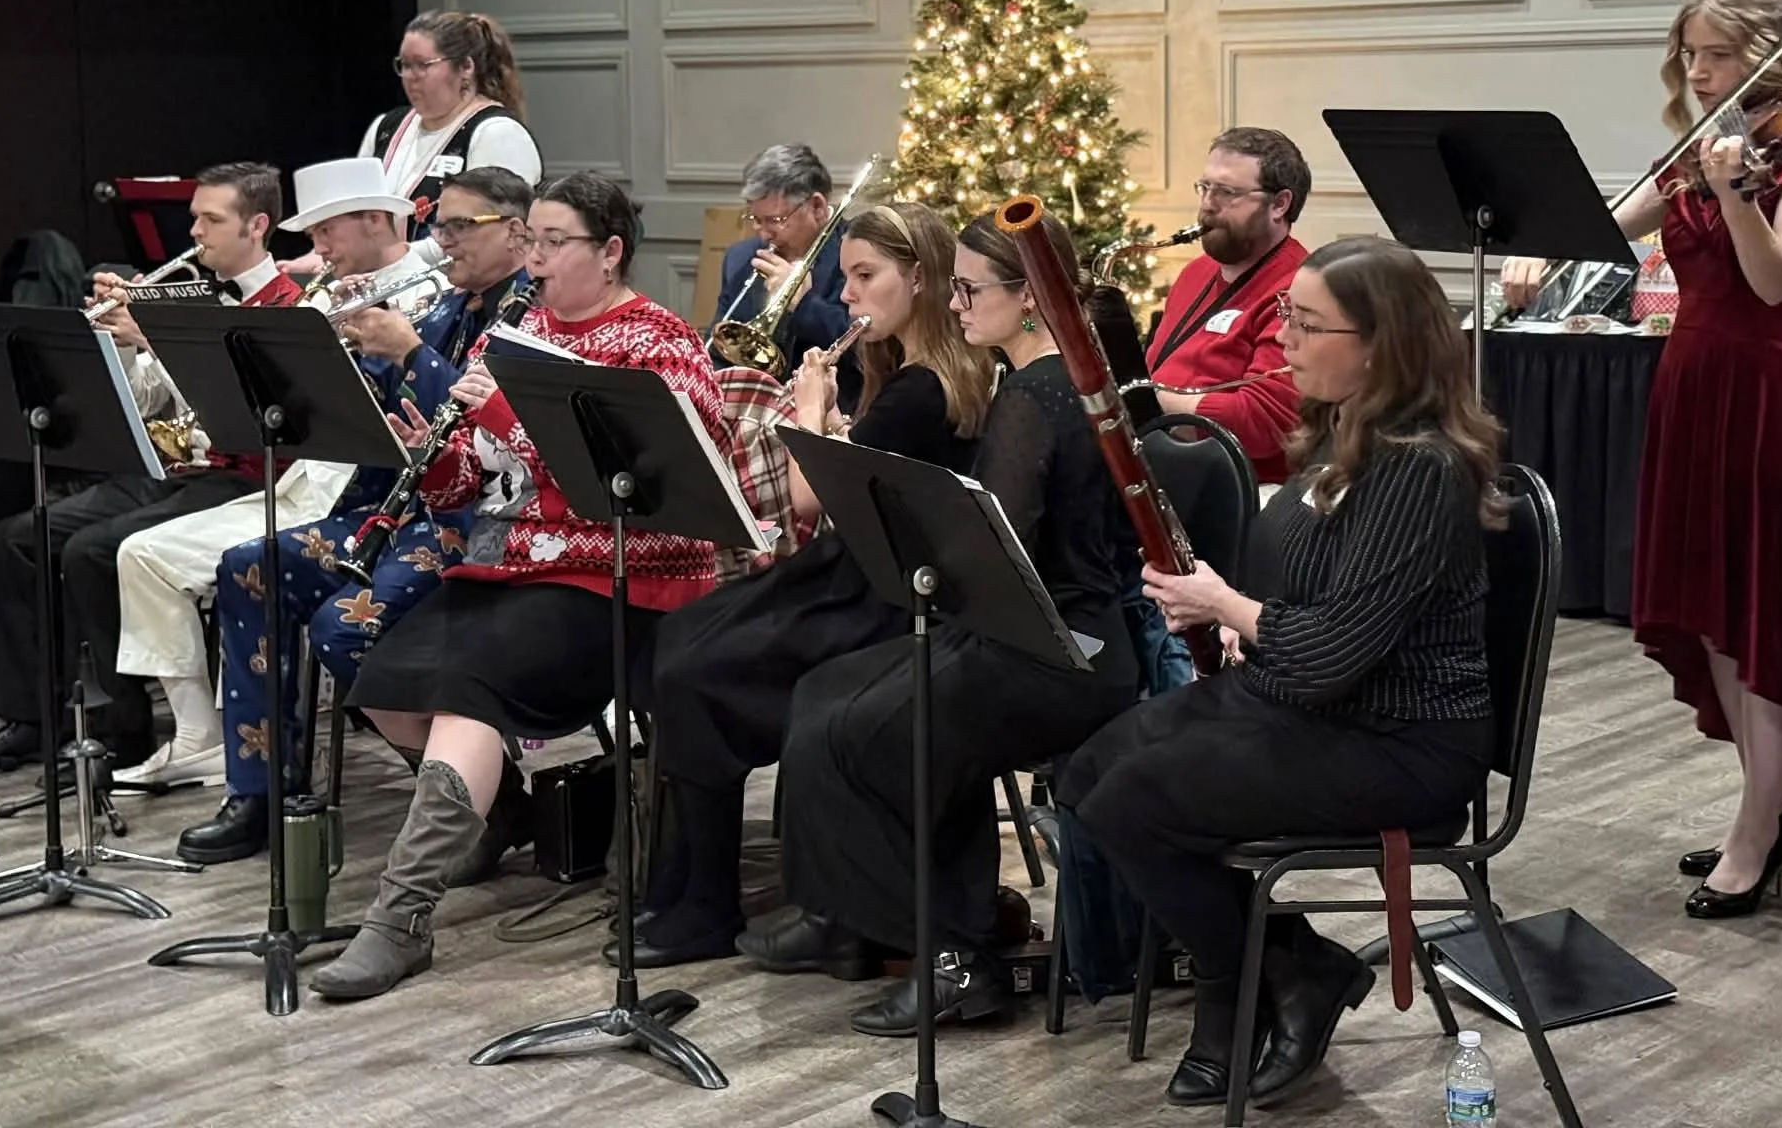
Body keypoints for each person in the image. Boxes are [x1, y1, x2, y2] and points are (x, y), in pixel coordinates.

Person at [1060, 236, 1505, 1109]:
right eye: (1283, 318)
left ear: (1380, 342)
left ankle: (1238, 991)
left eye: (1305, 324)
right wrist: (1250, 627)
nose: (1285, 341)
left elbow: (1335, 652)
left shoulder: (1418, 468)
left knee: (1134, 804)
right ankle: (1295, 963)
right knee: (1086, 776)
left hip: (1400, 739)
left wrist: (1232, 609)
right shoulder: (1342, 432)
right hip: (1309, 699)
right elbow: (1311, 602)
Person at [1503, 0, 1782, 918]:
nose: (1700, 74)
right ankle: (1772, 802)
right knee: (1714, 611)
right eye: (1690, 54)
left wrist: (1738, 196)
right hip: (1693, 395)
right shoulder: (1711, 142)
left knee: (1766, 620)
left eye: (1716, 56)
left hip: (1772, 406)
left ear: (1769, 53)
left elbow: (1780, 279)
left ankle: (1755, 834)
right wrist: (1543, 248)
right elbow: (1611, 229)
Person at [310, 171, 733, 1000]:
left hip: (623, 577)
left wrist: (505, 409)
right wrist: (429, 462)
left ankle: (400, 916)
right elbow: (477, 476)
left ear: (609, 253)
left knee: (467, 692)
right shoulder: (517, 329)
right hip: (519, 568)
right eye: (529, 241)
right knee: (383, 677)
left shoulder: (658, 344)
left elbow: (635, 484)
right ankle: (492, 807)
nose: (532, 260)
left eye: (551, 243)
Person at [738, 214, 1138, 1037]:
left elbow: (1004, 556)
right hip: (1033, 632)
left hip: (1061, 650)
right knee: (825, 692)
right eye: (950, 287)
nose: (953, 305)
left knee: (865, 729)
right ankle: (868, 916)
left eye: (969, 289)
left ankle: (956, 956)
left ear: (1029, 299)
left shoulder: (1034, 393)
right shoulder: (1044, 376)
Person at [631, 202, 993, 966]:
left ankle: (701, 901)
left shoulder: (925, 392)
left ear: (921, 280)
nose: (849, 296)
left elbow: (807, 499)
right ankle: (686, 887)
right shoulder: (900, 373)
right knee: (681, 635)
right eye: (846, 276)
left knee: (697, 668)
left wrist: (808, 411)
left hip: (893, 598)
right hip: (858, 574)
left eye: (866, 277)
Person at [171, 167, 534, 865]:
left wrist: (409, 353)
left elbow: (489, 428)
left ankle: (489, 801)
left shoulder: (525, 313)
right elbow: (382, 421)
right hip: (399, 506)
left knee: (346, 626)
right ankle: (260, 792)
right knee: (252, 564)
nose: (444, 241)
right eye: (441, 227)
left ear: (515, 233)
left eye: (462, 227)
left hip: (479, 520)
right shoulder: (450, 307)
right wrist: (327, 363)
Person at [109, 157, 451, 788]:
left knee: (245, 564)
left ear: (376, 219)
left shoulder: (432, 296)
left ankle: (269, 764)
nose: (315, 249)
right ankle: (219, 748)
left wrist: (391, 348)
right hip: (301, 481)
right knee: (145, 553)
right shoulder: (326, 287)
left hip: (384, 501)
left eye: (327, 231)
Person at [0, 162, 302, 771]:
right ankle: (31, 718)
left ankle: (124, 729)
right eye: (194, 217)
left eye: (212, 219)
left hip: (244, 476)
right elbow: (147, 402)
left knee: (93, 551)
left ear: (257, 226)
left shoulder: (290, 305)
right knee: (18, 538)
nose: (195, 231)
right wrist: (119, 344)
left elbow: (250, 406)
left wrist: (156, 339)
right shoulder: (187, 295)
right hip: (174, 468)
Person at [1128, 125, 1313, 696]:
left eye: (1227, 194)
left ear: (1280, 204)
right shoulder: (1193, 276)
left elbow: (1268, 418)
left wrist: (1150, 400)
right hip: (1170, 482)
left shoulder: (1297, 288)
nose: (1207, 206)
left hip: (1235, 504)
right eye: (1205, 187)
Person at [282, 10, 542, 277]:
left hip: (457, 292)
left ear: (465, 67)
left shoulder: (497, 133)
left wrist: (394, 259)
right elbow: (351, 214)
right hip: (382, 282)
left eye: (422, 65)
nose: (410, 76)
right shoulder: (385, 127)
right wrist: (322, 254)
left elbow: (489, 238)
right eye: (404, 65)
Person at [709, 142, 853, 379]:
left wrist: (803, 305)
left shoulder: (856, 255)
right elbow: (719, 352)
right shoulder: (741, 259)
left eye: (775, 220)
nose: (763, 235)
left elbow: (864, 350)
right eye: (755, 218)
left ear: (817, 207)